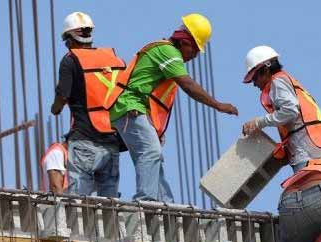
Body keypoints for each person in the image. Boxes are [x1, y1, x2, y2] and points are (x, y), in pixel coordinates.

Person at [110, 13, 238, 202]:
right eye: (195, 50)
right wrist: (217, 105)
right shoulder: (168, 52)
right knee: (151, 152)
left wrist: (155, 128)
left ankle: (165, 203)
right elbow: (188, 85)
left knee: (155, 158)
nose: (194, 56)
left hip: (135, 108)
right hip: (129, 107)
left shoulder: (165, 52)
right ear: (185, 42)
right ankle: (145, 201)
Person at [240, 45, 321, 242]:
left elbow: (290, 111)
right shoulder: (286, 81)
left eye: (255, 77)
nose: (254, 84)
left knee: (318, 203)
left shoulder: (278, 82)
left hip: (310, 154)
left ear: (265, 69)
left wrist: (259, 122)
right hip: (316, 150)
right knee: (318, 204)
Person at [50, 11, 125, 198]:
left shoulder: (70, 60)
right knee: (109, 205)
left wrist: (55, 108)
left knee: (78, 204)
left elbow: (62, 95)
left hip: (84, 140)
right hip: (112, 142)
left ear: (69, 40)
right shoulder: (112, 60)